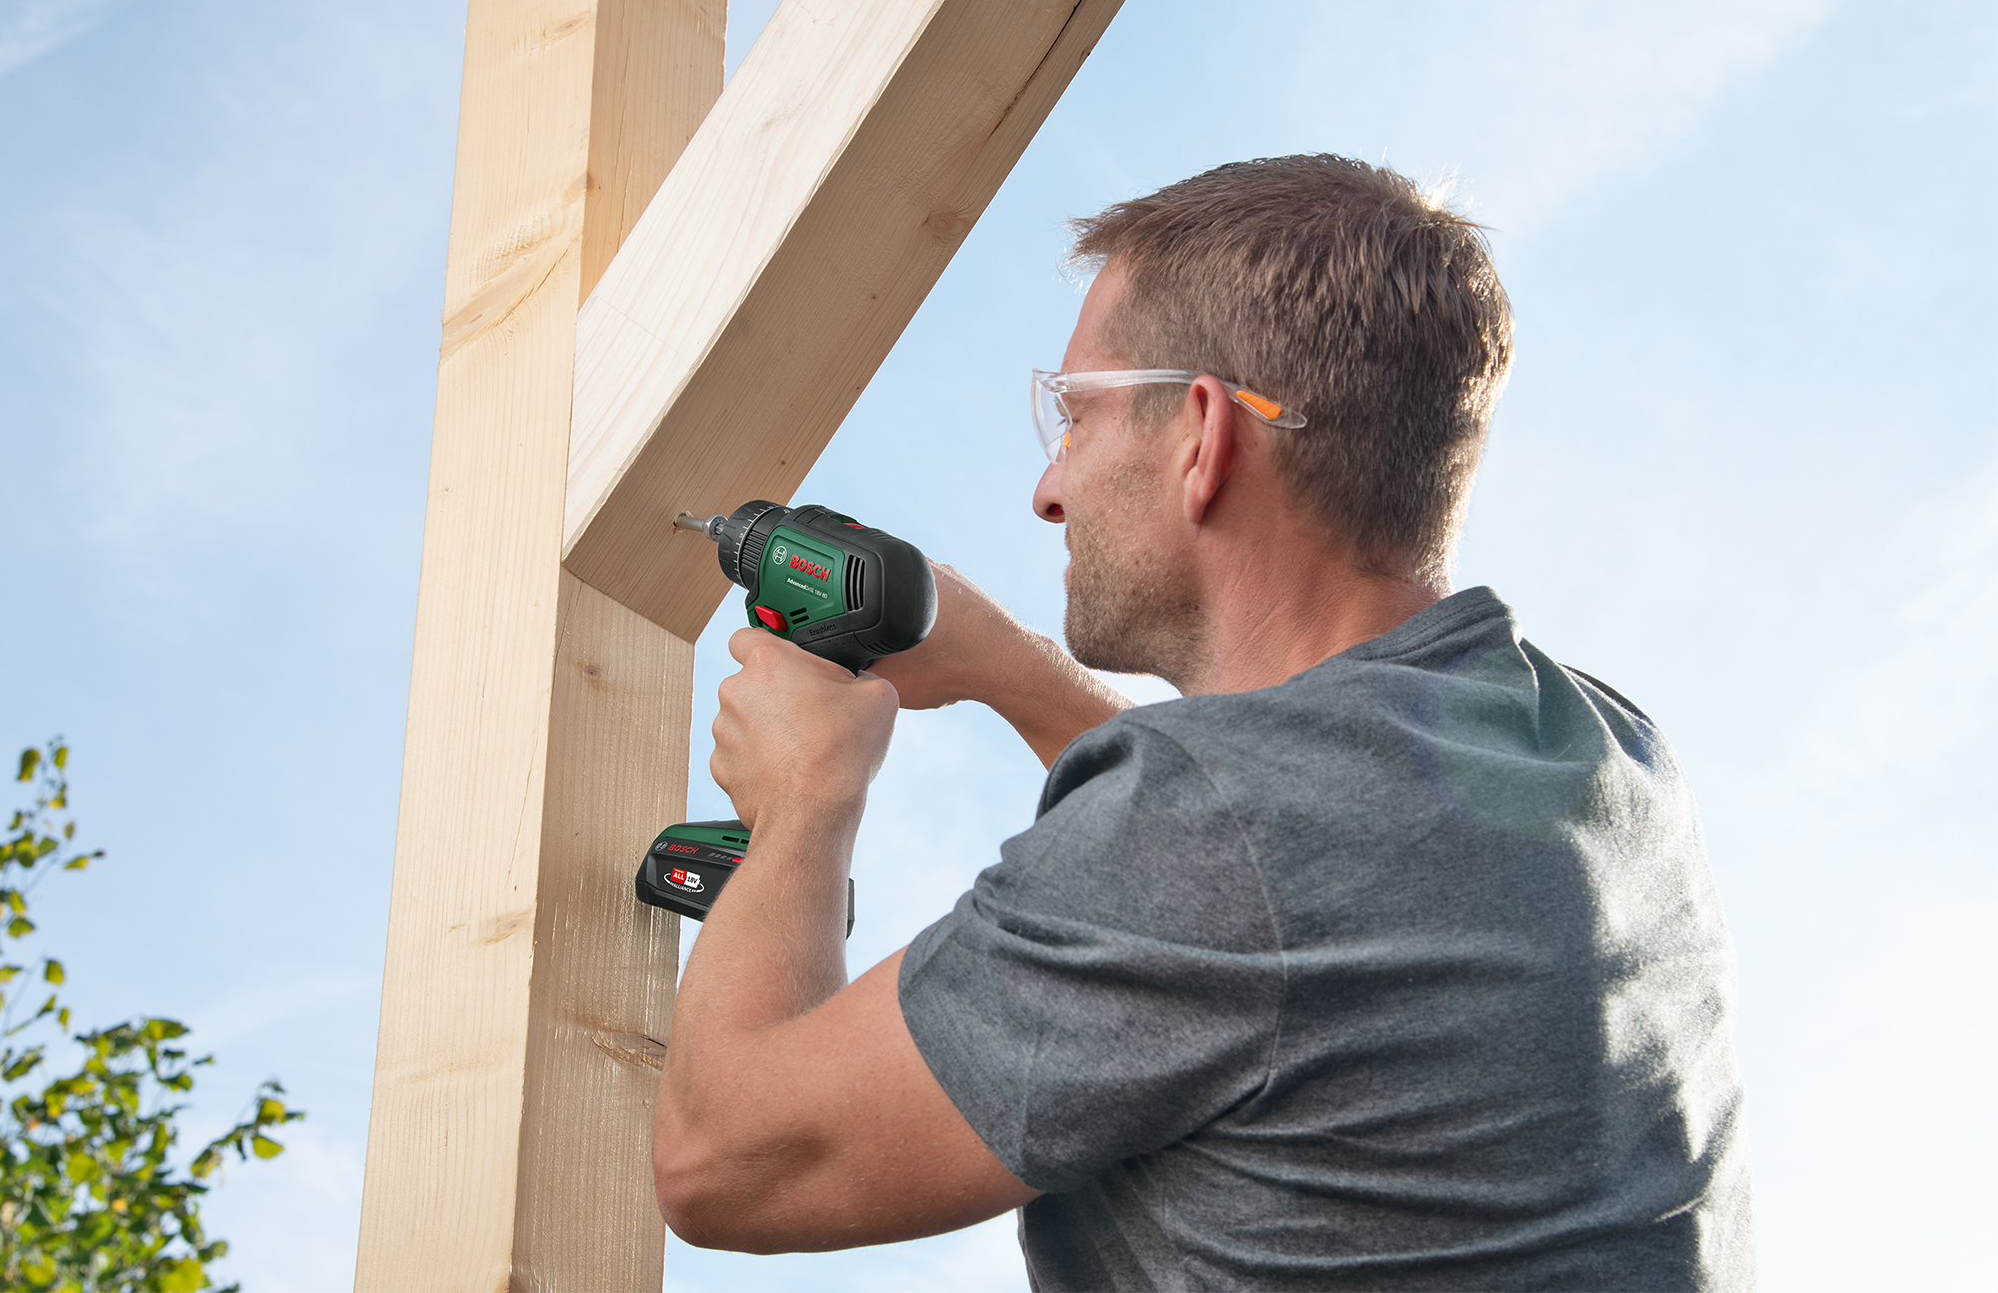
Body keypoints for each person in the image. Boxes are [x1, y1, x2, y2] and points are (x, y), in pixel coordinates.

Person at [652, 154, 1753, 1290]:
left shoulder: (1214, 834)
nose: (1048, 489)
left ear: (1201, 433)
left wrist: (800, 803)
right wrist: (1011, 671)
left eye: (1073, 417)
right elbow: (1291, 845)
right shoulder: (1607, 755)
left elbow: (725, 1161)